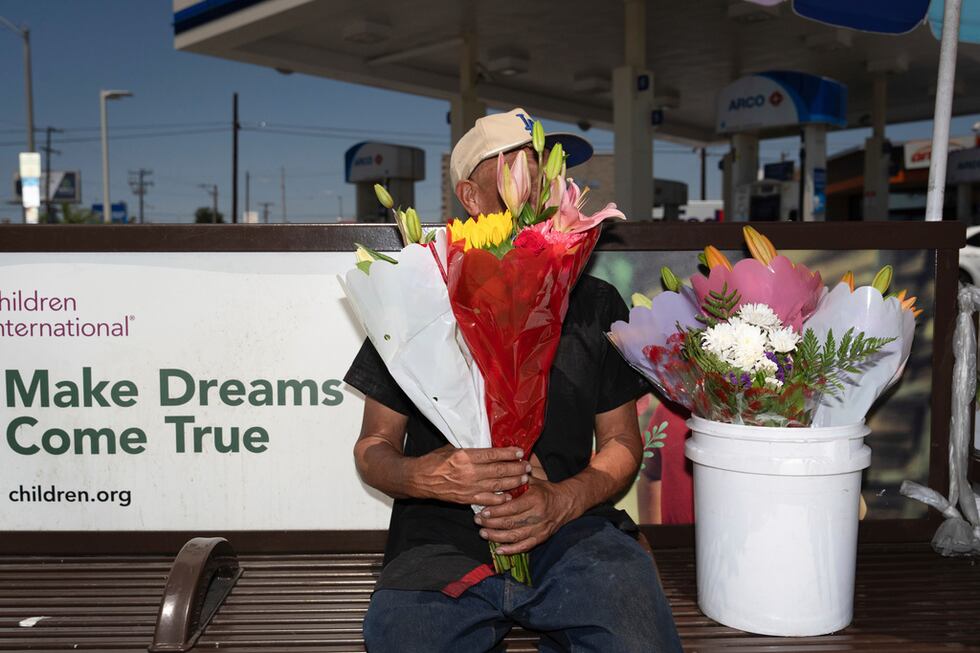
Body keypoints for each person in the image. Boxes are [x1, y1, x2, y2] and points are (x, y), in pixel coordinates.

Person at [344, 108, 682, 653]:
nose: (541, 185)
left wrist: (565, 500)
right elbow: (372, 449)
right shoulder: (417, 299)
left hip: (572, 533)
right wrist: (428, 477)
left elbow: (621, 444)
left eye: (548, 170)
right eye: (516, 169)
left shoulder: (592, 301)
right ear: (470, 196)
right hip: (439, 543)